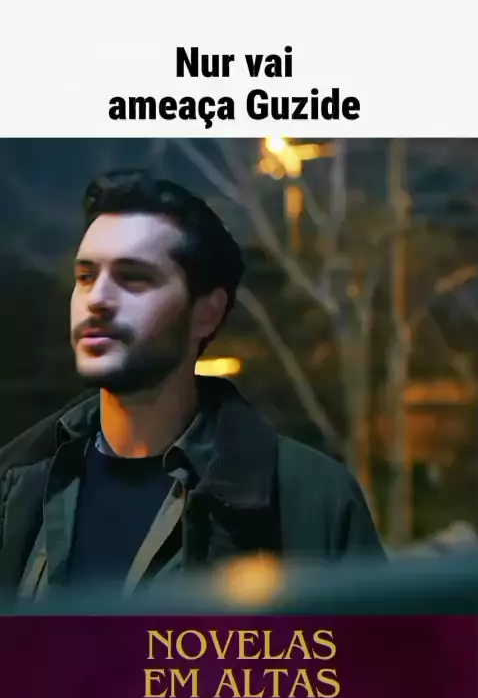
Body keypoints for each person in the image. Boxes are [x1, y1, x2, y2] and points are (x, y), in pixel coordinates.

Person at [0, 169, 385, 601]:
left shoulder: (311, 500)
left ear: (207, 313)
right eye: (86, 277)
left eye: (133, 278)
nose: (98, 299)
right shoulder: (18, 486)